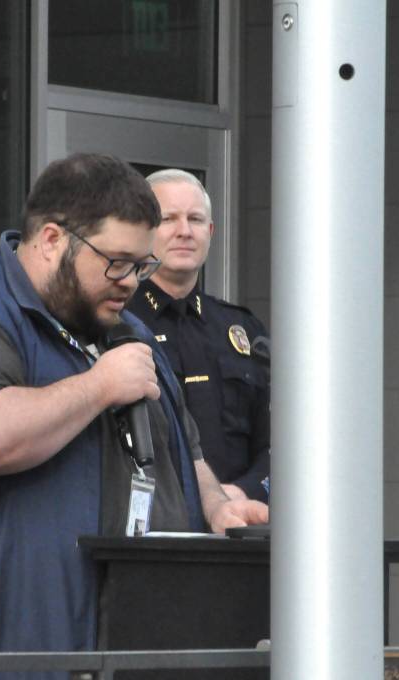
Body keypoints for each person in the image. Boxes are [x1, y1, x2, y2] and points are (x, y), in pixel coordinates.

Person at [0, 154, 268, 664]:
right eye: (117, 262)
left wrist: (214, 507)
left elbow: (187, 456)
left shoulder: (127, 336)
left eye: (143, 266)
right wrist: (98, 387)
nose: (132, 282)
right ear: (52, 240)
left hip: (110, 656)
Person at [127, 169, 270, 502]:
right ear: (141, 231)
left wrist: (239, 494)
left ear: (210, 231)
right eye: (168, 219)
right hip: (150, 528)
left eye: (195, 219)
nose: (184, 231)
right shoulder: (118, 323)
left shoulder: (242, 329)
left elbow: (283, 441)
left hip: (238, 525)